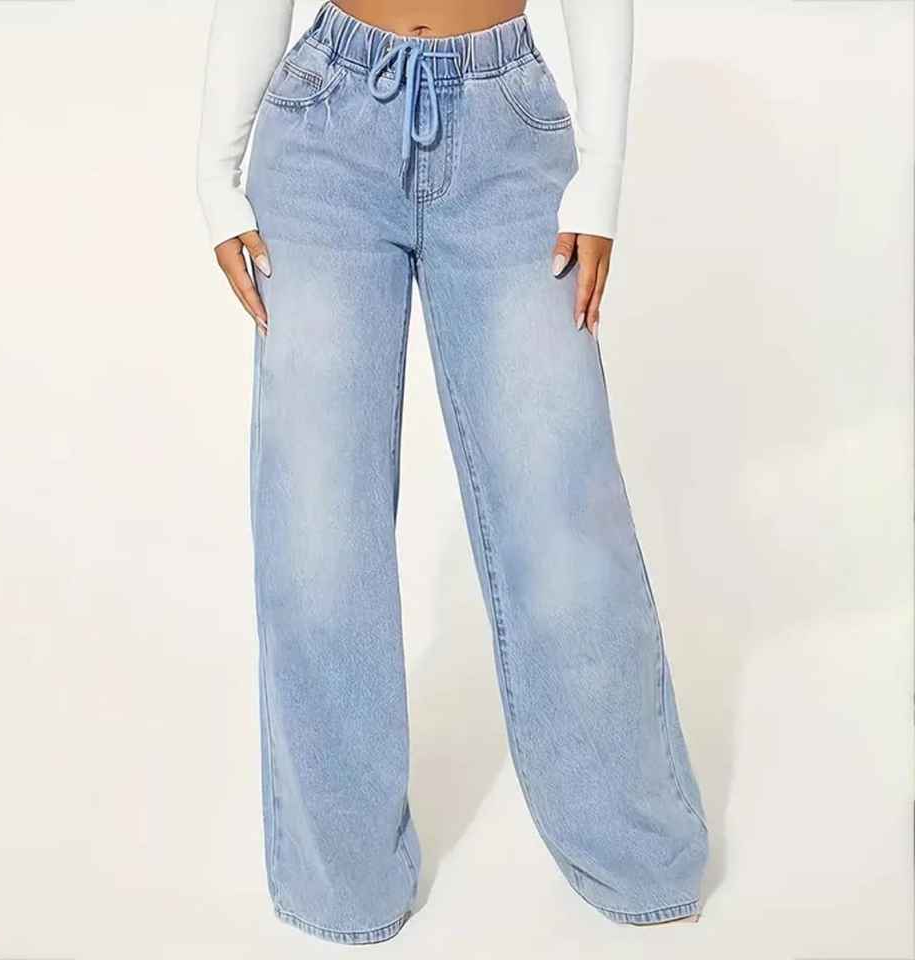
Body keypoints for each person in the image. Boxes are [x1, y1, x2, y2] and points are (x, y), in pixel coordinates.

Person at [196, 0, 709, 945]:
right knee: (318, 525)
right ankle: (342, 884)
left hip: (507, 132)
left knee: (563, 510)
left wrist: (601, 180)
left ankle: (637, 852)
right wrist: (214, 175)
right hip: (322, 138)